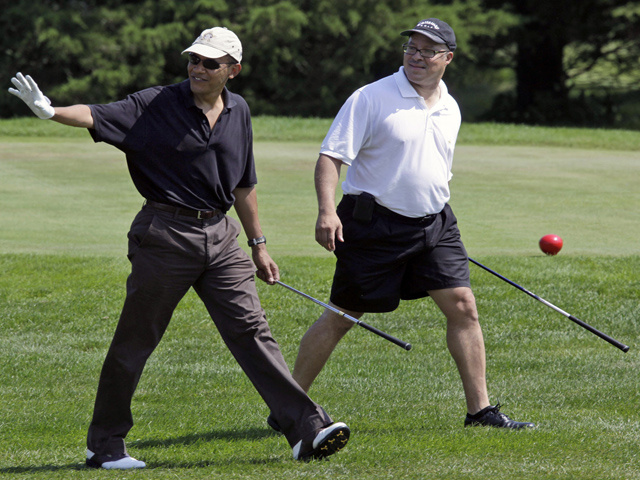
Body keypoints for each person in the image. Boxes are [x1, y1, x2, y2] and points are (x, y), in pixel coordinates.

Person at [9, 27, 349, 470]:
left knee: (252, 332)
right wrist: (50, 111)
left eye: (210, 63)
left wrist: (258, 244)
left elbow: (244, 183)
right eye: (193, 60)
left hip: (222, 238)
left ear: (233, 70)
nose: (198, 68)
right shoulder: (153, 104)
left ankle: (305, 430)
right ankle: (104, 445)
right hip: (165, 235)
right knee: (136, 339)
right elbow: (94, 114)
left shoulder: (239, 111)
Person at [269, 18, 535, 432]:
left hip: (435, 224)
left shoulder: (450, 105)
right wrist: (326, 211)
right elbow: (331, 157)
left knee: (463, 306)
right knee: (343, 315)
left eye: (428, 51)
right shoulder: (371, 97)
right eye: (412, 48)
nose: (417, 56)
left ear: (447, 58)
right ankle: (287, 405)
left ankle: (480, 412)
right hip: (374, 225)